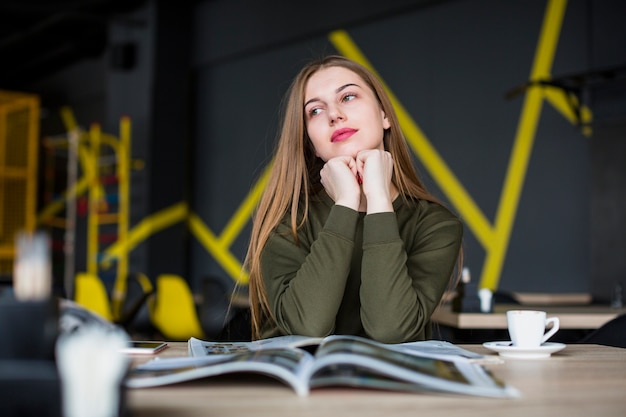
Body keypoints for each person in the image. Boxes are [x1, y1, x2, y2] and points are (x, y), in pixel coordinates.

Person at [243, 55, 463, 343]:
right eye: (316, 111)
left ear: (385, 115)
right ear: (311, 142)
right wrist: (346, 201)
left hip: (392, 387)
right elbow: (307, 326)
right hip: (295, 386)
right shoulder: (286, 219)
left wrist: (379, 201)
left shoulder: (436, 225)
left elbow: (390, 329)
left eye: (347, 96)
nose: (334, 115)